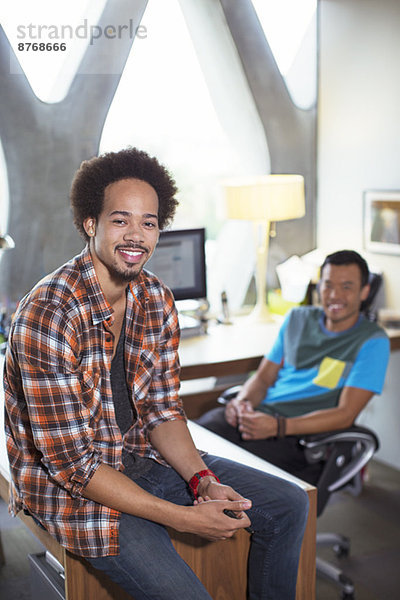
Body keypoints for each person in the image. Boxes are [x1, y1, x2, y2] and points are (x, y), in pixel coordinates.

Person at [4, 147, 308, 600]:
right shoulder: (49, 314)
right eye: (120, 219)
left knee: (288, 504)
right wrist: (183, 516)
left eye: (149, 223)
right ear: (91, 223)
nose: (136, 235)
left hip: (139, 457)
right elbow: (74, 466)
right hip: (75, 488)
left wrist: (201, 481)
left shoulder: (156, 298)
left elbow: (161, 410)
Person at [197, 250, 390, 485]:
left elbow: (345, 414)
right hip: (260, 416)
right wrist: (242, 403)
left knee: (222, 473)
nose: (334, 295)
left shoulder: (373, 341)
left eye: (347, 287)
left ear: (364, 292)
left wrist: (278, 427)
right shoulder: (297, 318)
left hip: (296, 436)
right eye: (328, 285)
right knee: (189, 444)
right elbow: (263, 378)